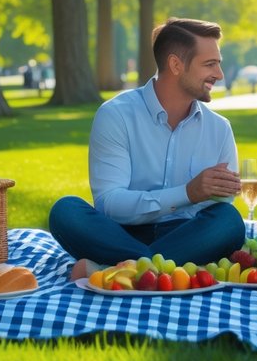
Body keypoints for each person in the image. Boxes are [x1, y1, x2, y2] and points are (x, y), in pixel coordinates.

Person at [48, 18, 245, 269]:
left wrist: (221, 192)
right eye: (210, 64)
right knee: (66, 212)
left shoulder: (219, 128)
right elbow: (109, 204)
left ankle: (122, 269)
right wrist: (188, 192)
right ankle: (162, 269)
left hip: (187, 236)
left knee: (228, 220)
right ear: (175, 64)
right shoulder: (116, 115)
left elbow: (219, 208)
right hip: (121, 233)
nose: (219, 74)